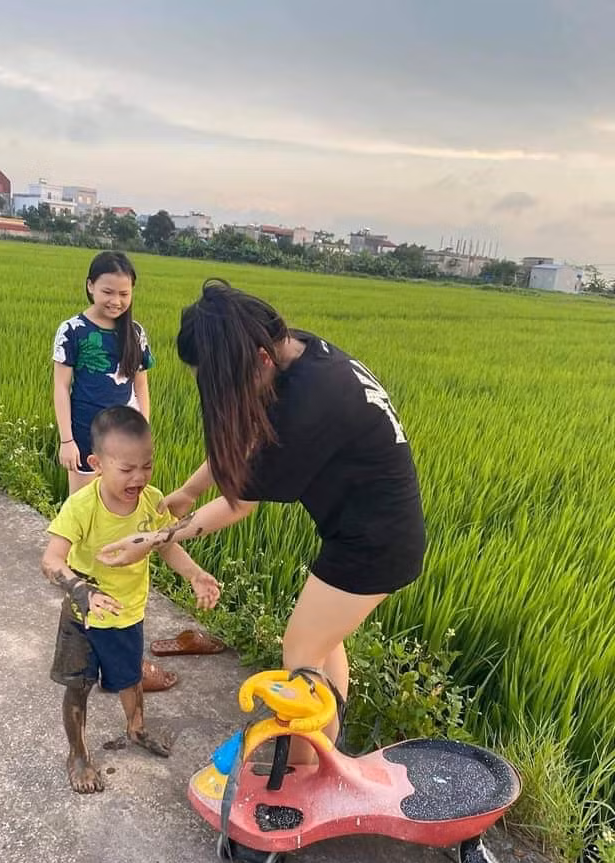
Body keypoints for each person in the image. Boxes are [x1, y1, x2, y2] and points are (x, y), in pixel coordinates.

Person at [97, 279, 427, 762]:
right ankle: (324, 750)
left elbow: (238, 501)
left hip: (374, 547)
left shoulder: (308, 406)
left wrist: (151, 539)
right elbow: (244, 441)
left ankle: (305, 764)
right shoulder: (303, 350)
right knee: (323, 642)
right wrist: (189, 491)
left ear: (258, 358)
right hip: (366, 532)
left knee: (300, 655)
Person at [41, 405, 221, 793]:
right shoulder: (82, 507)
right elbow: (51, 559)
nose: (138, 478)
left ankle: (136, 730)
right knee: (78, 686)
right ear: (98, 463)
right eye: (126, 469)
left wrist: (194, 575)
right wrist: (80, 590)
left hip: (126, 613)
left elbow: (167, 545)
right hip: (82, 617)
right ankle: (77, 754)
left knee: (130, 678)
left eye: (147, 466)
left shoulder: (151, 501)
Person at [52, 250, 176, 692]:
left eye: (124, 293)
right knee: (85, 531)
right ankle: (85, 630)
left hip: (125, 445)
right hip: (88, 443)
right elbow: (62, 386)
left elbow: (141, 386)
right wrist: (68, 441)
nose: (116, 300)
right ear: (89, 286)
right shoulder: (72, 330)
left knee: (130, 532)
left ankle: (125, 646)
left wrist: (144, 437)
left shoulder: (135, 333)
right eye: (107, 291)